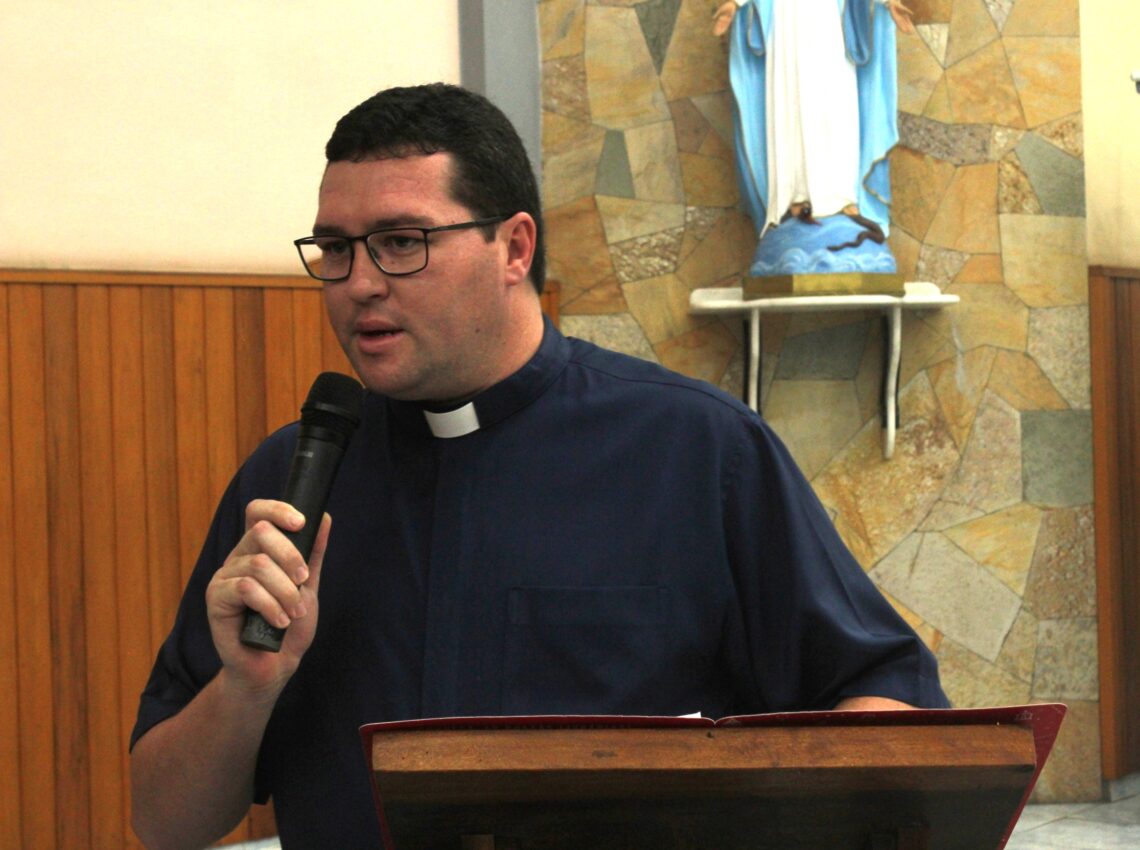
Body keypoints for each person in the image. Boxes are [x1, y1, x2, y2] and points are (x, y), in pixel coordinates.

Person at [130, 83, 948, 850]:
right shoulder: (292, 479)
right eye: (336, 249)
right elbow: (166, 821)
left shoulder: (698, 451)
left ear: (513, 246)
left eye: (402, 242)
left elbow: (889, 696)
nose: (360, 283)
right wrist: (247, 688)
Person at [717, 0, 914, 240]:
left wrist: (888, 2)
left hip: (830, 24)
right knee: (791, 106)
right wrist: (734, 4)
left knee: (836, 108)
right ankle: (795, 197)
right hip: (787, 25)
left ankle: (842, 197)